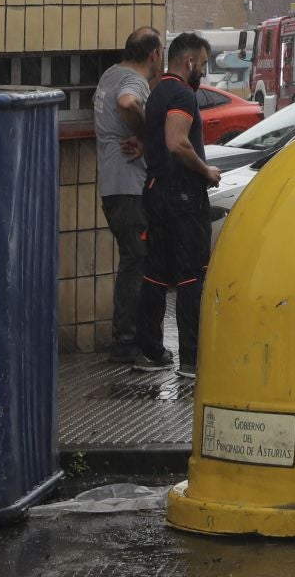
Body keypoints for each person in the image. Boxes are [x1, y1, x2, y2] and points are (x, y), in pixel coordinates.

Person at [134, 32, 220, 377]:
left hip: (155, 192)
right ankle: (192, 361)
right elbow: (177, 142)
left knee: (155, 275)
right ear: (189, 62)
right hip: (182, 197)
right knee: (190, 278)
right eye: (202, 64)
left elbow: (154, 138)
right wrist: (206, 170)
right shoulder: (182, 94)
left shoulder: (156, 94)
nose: (203, 70)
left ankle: (150, 352)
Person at [92, 27, 162, 363]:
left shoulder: (109, 75)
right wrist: (148, 136)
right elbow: (128, 103)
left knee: (132, 261)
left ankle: (130, 339)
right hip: (129, 187)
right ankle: (127, 343)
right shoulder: (134, 82)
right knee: (137, 262)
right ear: (154, 55)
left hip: (111, 185)